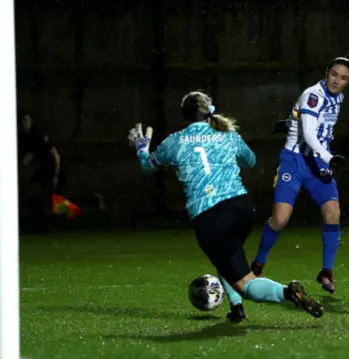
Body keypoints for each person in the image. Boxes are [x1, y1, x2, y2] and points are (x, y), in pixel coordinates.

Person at [127, 90, 324, 323]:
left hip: (209, 217)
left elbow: (147, 167)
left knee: (245, 284)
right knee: (227, 256)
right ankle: (236, 308)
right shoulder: (228, 134)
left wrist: (141, 147)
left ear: (185, 115)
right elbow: (250, 160)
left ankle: (287, 293)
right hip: (241, 209)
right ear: (210, 110)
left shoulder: (174, 141)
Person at [251, 31, 349, 294]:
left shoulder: (337, 96)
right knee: (280, 220)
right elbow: (307, 132)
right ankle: (259, 260)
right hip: (295, 161)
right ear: (325, 73)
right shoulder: (313, 95)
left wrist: (288, 122)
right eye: (333, 75)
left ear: (348, 82)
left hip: (317, 164)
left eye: (343, 78)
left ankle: (326, 271)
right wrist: (328, 156)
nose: (337, 81)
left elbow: (312, 123)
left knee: (333, 213)